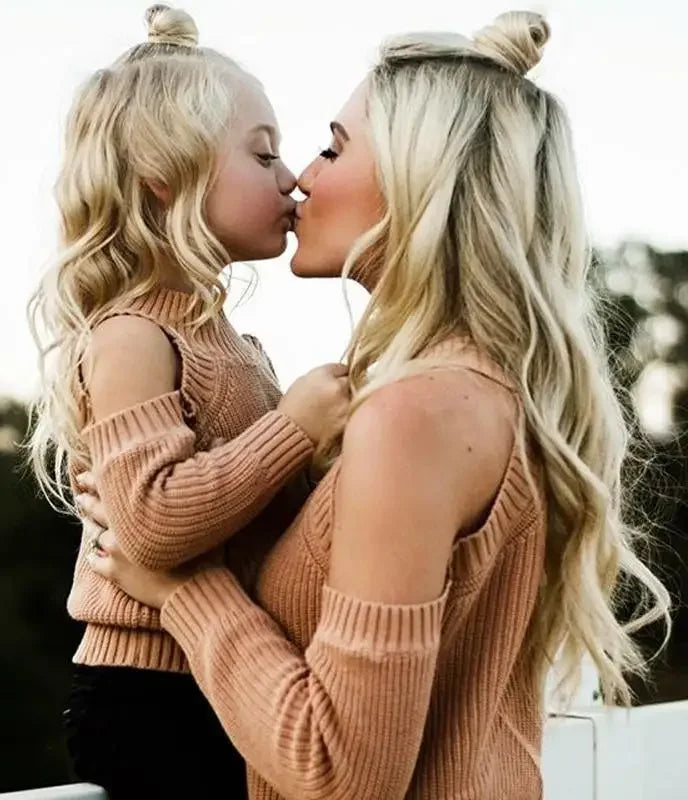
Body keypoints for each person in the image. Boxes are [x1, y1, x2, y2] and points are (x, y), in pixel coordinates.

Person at [83, 11, 671, 799]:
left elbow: (341, 775)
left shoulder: (416, 415)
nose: (305, 177)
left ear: (414, 179)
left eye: (333, 146)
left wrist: (184, 588)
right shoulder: (482, 390)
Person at [27, 5, 348, 797]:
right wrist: (295, 428)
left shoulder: (223, 338)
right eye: (263, 154)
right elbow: (151, 529)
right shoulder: (131, 336)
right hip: (152, 695)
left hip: (225, 669)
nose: (291, 177)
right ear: (167, 177)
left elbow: (259, 509)